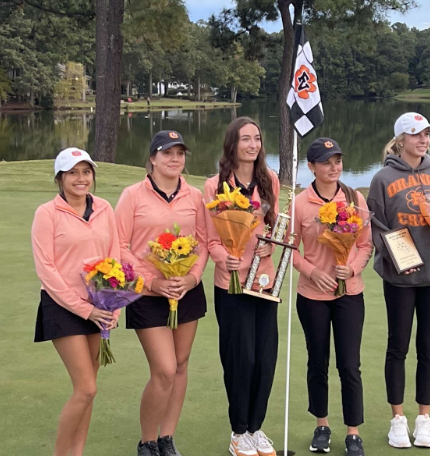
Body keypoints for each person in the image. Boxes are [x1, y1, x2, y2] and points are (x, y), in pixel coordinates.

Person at [366, 112, 430, 449]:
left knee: (429, 348)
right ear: (400, 140)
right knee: (398, 346)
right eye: (416, 134)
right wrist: (395, 256)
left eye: (427, 134)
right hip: (400, 276)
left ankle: (424, 419)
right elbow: (377, 227)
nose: (423, 140)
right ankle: (398, 420)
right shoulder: (382, 179)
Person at [115, 130, 209, 456]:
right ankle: (147, 441)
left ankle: (167, 438)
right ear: (152, 158)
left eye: (180, 153)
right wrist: (151, 282)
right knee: (165, 369)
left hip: (186, 291)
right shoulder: (132, 196)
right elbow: (120, 246)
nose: (175, 160)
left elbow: (203, 243)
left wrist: (193, 278)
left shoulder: (195, 196)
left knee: (181, 364)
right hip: (146, 293)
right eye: (167, 153)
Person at [32, 148, 120, 456]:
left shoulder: (105, 208)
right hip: (62, 306)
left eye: (86, 172)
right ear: (59, 178)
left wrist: (113, 306)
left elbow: (115, 257)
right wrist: (86, 309)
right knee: (87, 388)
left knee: (87, 392)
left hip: (100, 304)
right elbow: (47, 270)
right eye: (72, 173)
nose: (81, 179)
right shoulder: (47, 213)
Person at [291, 138, 373, 456]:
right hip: (312, 294)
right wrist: (312, 272)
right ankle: (321, 426)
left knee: (350, 365)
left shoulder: (354, 198)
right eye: (326, 162)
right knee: (318, 362)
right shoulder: (300, 203)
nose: (333, 167)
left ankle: (353, 432)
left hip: (349, 293)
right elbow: (291, 250)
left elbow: (366, 244)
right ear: (311, 166)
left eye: (337, 160)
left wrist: (351, 270)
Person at [204, 117, 280, 456]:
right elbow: (208, 237)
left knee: (265, 357)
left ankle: (255, 428)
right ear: (232, 143)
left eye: (257, 139)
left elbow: (275, 227)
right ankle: (238, 431)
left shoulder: (270, 180)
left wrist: (270, 244)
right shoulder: (215, 184)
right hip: (231, 282)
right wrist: (224, 258)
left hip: (264, 281)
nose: (252, 145)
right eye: (245, 139)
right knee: (241, 357)